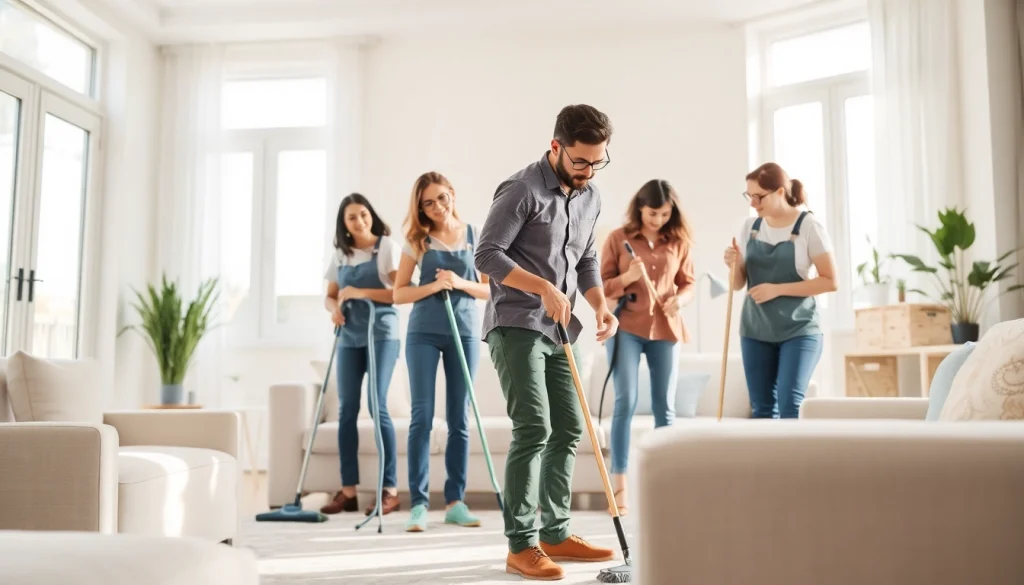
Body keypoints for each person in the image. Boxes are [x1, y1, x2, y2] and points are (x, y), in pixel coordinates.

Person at [475, 104, 619, 581]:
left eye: (598, 161)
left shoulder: (590, 195)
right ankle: (521, 545)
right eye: (580, 161)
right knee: (534, 427)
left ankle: (556, 533)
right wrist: (543, 287)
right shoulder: (522, 189)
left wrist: (599, 303)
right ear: (556, 147)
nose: (589, 170)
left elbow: (586, 259)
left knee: (570, 429)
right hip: (515, 322)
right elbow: (486, 255)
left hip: (560, 328)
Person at [393, 172, 491, 532]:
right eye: (427, 203)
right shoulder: (416, 240)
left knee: (459, 419)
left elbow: (490, 289)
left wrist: (459, 282)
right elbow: (399, 293)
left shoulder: (475, 235)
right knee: (421, 416)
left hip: (463, 333)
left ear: (452, 193)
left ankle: (455, 502)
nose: (436, 208)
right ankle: (418, 504)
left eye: (440, 198)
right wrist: (433, 285)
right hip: (423, 333)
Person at [599, 179, 695, 515]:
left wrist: (679, 302)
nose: (658, 220)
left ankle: (667, 484)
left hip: (665, 328)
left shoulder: (678, 240)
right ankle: (619, 485)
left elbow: (688, 283)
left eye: (665, 214)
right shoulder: (618, 238)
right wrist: (627, 278)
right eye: (654, 213)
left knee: (664, 407)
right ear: (640, 208)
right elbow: (602, 286)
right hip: (626, 326)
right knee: (626, 401)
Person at [724, 162, 838, 419]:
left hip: (799, 329)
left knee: (790, 403)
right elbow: (738, 284)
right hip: (755, 329)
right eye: (749, 196)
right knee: (762, 408)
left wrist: (777, 290)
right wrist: (732, 264)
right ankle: (766, 461)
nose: (753, 203)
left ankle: (795, 460)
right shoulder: (749, 228)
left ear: (779, 192)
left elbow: (830, 281)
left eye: (759, 196)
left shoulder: (809, 226)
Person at [320, 193, 403, 516]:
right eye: (352, 217)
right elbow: (329, 296)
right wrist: (335, 309)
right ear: (344, 223)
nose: (360, 221)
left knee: (377, 404)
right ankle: (348, 491)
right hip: (349, 336)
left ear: (372, 215)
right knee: (347, 410)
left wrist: (359, 292)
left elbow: (398, 293)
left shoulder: (387, 249)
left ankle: (390, 490)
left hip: (382, 334)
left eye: (364, 214)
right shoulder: (340, 255)